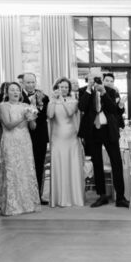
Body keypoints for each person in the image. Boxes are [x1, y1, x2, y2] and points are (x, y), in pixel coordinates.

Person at [79, 68, 130, 208]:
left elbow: (113, 109)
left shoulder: (110, 91)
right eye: (93, 78)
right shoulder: (83, 91)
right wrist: (89, 89)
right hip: (93, 131)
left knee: (116, 162)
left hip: (109, 131)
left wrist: (104, 93)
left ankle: (120, 197)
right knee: (97, 164)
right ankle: (102, 195)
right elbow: (82, 107)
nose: (96, 81)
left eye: (98, 78)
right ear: (88, 79)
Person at [0, 82, 41, 216]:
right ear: (7, 92)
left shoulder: (26, 106)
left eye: (17, 90)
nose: (15, 92)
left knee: (26, 170)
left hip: (25, 140)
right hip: (10, 140)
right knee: (12, 171)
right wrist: (23, 117)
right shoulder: (3, 106)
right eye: (12, 90)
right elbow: (8, 125)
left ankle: (27, 204)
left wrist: (31, 119)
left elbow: (33, 127)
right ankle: (12, 206)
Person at [47, 77, 84, 208]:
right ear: (56, 88)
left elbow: (69, 112)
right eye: (61, 87)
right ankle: (58, 198)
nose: (63, 89)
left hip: (71, 137)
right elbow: (50, 115)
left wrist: (61, 99)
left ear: (69, 89)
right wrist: (53, 100)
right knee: (58, 164)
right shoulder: (52, 101)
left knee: (71, 165)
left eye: (66, 87)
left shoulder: (73, 101)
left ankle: (73, 197)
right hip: (57, 137)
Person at [21, 73, 49, 200]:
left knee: (39, 165)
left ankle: (37, 195)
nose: (31, 85)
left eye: (33, 82)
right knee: (25, 165)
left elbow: (44, 117)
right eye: (28, 82)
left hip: (40, 136)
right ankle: (25, 195)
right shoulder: (18, 97)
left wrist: (35, 111)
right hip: (23, 135)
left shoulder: (44, 97)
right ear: (23, 83)